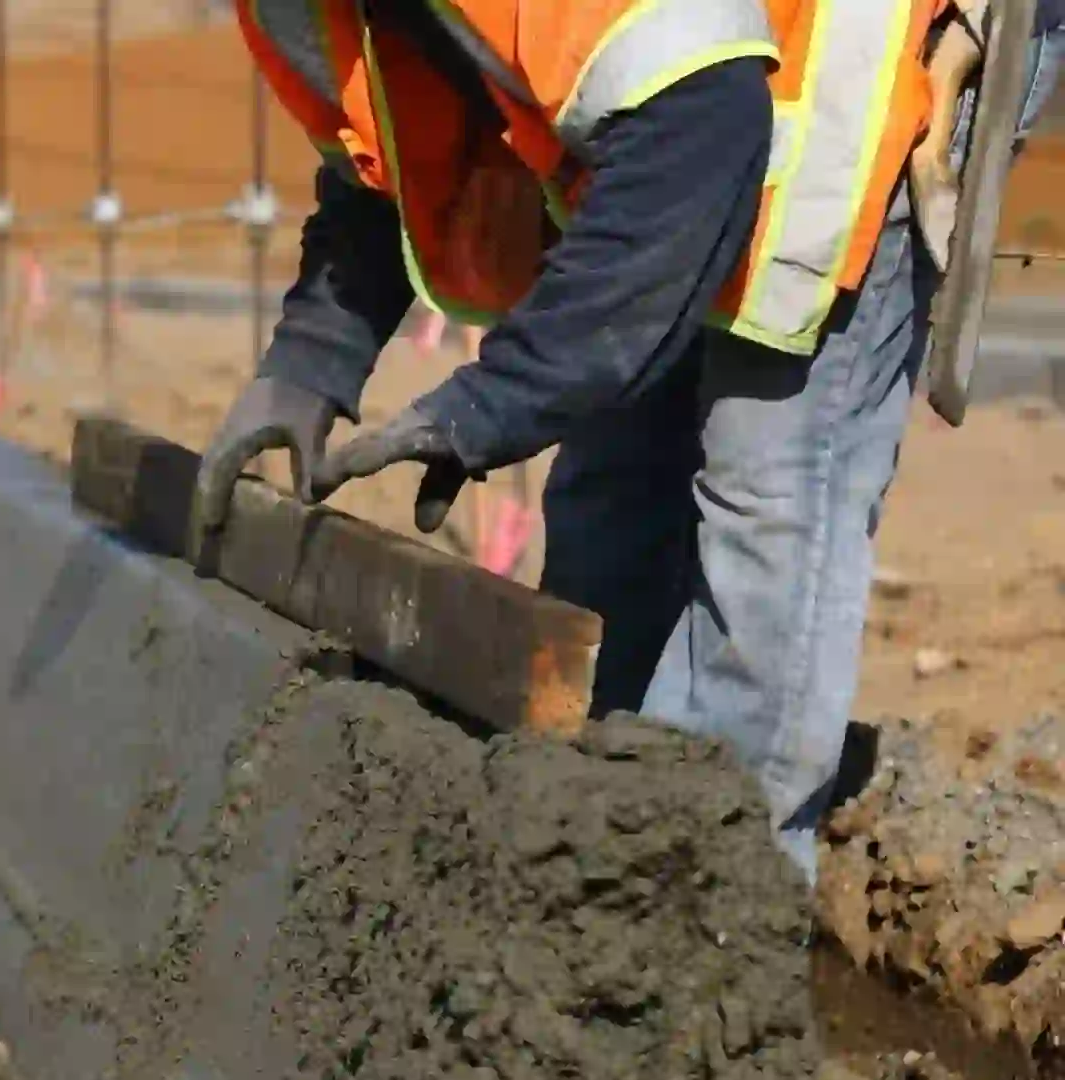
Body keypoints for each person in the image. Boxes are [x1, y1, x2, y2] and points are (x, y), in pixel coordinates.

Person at [194, 0, 1064, 879]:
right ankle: (591, 864)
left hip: (858, 69)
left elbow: (703, 124)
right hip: (689, 101)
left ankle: (718, 927)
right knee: (612, 500)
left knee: (769, 502)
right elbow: (400, 116)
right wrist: (312, 358)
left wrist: (500, 400)